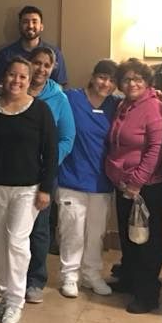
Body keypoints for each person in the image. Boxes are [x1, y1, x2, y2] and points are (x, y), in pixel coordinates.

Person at [0, 57, 58, 323]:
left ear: (30, 81)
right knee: (0, 242)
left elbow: (50, 151)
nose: (16, 81)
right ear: (4, 77)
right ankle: (4, 295)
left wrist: (46, 189)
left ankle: (16, 301)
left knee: (17, 242)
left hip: (28, 189)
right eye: (12, 75)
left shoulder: (40, 110)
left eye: (22, 77)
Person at [105, 58, 162, 314]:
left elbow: (155, 149)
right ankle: (130, 280)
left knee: (146, 241)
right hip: (122, 184)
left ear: (147, 82)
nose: (132, 83)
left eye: (137, 79)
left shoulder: (154, 106)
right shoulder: (123, 105)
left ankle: (147, 294)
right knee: (128, 236)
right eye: (127, 79)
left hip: (146, 186)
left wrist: (137, 182)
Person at [56, 59, 118, 299]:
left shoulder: (116, 106)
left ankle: (92, 274)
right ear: (93, 76)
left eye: (112, 80)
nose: (106, 83)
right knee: (72, 230)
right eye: (102, 77)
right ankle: (70, 275)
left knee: (96, 232)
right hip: (72, 178)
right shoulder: (71, 98)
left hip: (102, 181)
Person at [23, 46, 76, 302]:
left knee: (39, 229)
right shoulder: (14, 88)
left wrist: (49, 161)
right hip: (14, 171)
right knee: (12, 228)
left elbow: (67, 138)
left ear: (53, 67)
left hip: (43, 173)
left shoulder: (59, 98)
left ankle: (35, 280)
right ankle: (11, 278)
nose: (41, 69)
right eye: (37, 63)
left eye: (47, 64)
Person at [0, 6, 68, 86]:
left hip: (47, 98)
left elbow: (60, 86)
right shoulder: (6, 54)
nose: (30, 26)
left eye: (34, 22)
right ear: (19, 26)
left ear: (41, 27)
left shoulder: (55, 53)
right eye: (25, 22)